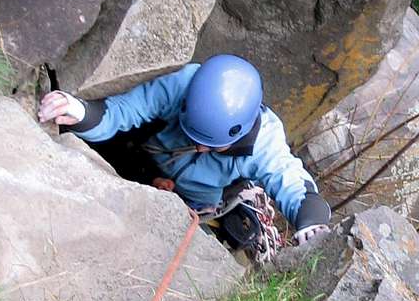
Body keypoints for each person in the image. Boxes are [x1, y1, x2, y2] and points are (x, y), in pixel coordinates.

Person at [37, 55, 331, 259]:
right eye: (194, 138)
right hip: (141, 160)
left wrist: (311, 222)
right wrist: (80, 112)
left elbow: (292, 183)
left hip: (198, 202)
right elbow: (125, 111)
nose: (200, 148)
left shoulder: (265, 144)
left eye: (212, 146)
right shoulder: (184, 85)